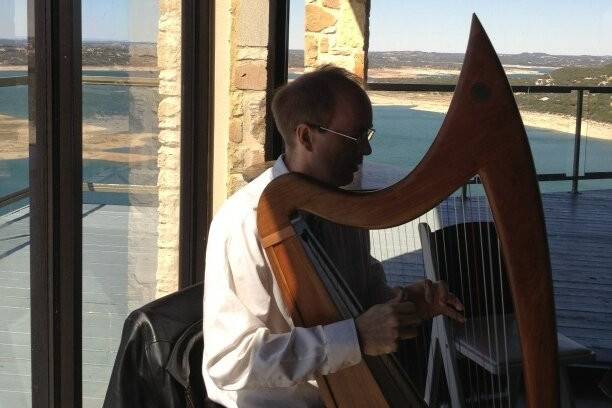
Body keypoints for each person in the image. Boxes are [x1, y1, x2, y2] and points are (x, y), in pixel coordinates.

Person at [202, 65, 465, 407]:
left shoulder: (342, 205)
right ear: (306, 136)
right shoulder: (242, 221)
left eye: (367, 134)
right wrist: (355, 337)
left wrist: (406, 303)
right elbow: (230, 363)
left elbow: (360, 298)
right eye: (354, 137)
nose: (366, 152)